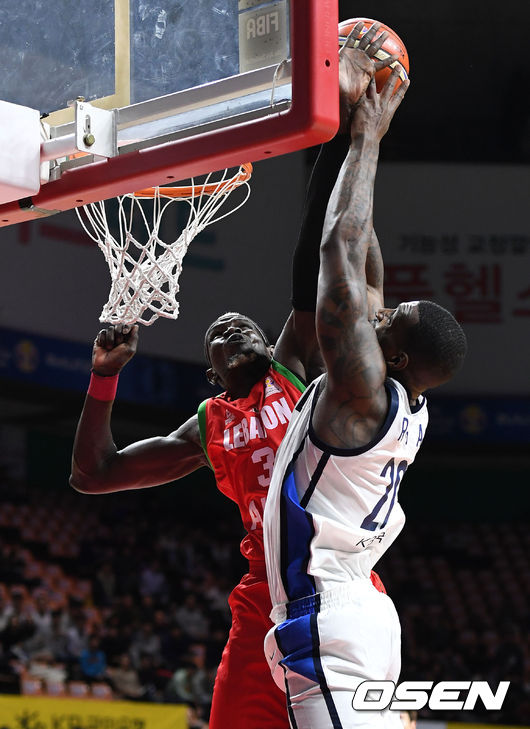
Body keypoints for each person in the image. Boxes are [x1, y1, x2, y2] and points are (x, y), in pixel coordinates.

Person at [69, 23, 395, 729]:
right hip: (264, 602)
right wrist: (104, 379)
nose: (236, 328)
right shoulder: (209, 427)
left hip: (340, 581)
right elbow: (93, 475)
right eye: (219, 333)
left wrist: (340, 127)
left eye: (246, 324)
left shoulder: (293, 370)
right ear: (211, 375)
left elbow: (315, 264)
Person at [263, 67, 467, 728]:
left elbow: (339, 250)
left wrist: (369, 140)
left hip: (331, 618)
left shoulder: (361, 395)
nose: (378, 312)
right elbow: (361, 251)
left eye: (389, 319)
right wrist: (353, 131)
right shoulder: (396, 399)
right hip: (356, 612)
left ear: (396, 357)